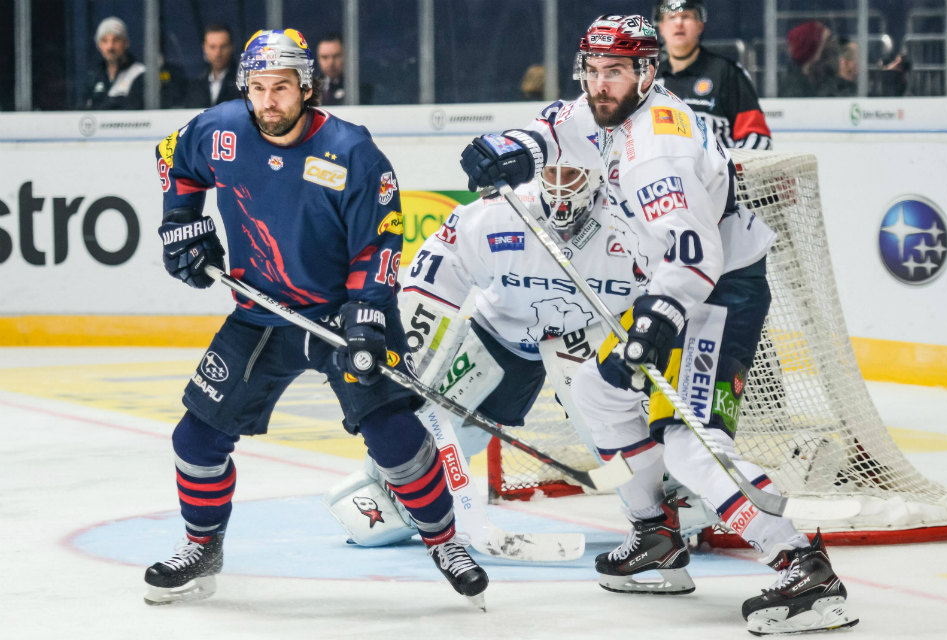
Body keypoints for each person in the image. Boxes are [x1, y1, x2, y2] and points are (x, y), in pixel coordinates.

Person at [458, 14, 858, 635]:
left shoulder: (658, 150)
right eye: (591, 70)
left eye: (612, 72)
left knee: (690, 443)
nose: (598, 84)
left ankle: (803, 566)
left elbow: (698, 257)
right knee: (597, 391)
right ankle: (656, 537)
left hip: (718, 293)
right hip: (675, 288)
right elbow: (555, 126)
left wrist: (656, 323)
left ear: (645, 72)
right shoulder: (617, 106)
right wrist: (507, 151)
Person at [144, 28, 487, 609]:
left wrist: (367, 318)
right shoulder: (221, 129)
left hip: (344, 316)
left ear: (307, 87)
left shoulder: (352, 151)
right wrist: (182, 226)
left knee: (395, 438)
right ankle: (202, 545)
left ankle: (447, 543)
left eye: (281, 87)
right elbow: (171, 160)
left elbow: (379, 243)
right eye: (257, 87)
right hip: (260, 313)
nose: (268, 100)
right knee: (195, 437)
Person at [326, 162, 650, 546]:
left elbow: (671, 281)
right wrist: (411, 345)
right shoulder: (503, 212)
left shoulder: (628, 221)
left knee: (613, 419)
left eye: (572, 175)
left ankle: (660, 507)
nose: (560, 187)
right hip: (504, 334)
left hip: (591, 332)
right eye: (553, 174)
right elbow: (439, 267)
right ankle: (395, 497)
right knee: (440, 436)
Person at [653, 0, 772, 150]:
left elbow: (758, 138)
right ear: (661, 28)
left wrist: (728, 170)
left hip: (719, 173)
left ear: (700, 26)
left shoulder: (727, 73)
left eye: (686, 16)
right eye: (671, 17)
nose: (678, 23)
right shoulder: (651, 79)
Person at [81, 16, 145, 110]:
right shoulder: (93, 76)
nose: (110, 47)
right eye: (104, 41)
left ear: (126, 43)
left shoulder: (140, 73)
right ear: (99, 46)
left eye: (116, 40)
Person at [183, 24, 242, 108]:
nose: (218, 53)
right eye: (212, 47)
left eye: (223, 46)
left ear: (232, 47)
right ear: (205, 48)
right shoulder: (196, 86)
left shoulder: (242, 83)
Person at [778, 21, 841, 98]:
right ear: (812, 48)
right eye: (828, 41)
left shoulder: (832, 80)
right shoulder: (793, 88)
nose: (832, 45)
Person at [316, 33, 374, 105]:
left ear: (346, 57)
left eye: (336, 56)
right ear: (318, 59)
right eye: (325, 57)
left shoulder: (358, 88)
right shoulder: (310, 89)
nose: (330, 63)